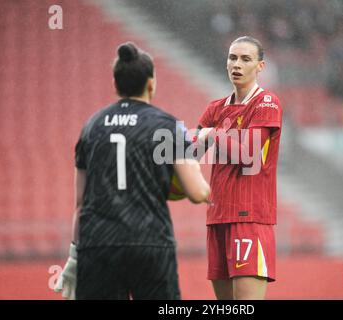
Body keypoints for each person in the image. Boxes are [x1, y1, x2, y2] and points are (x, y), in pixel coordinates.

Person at [54, 42, 210, 300]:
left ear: (115, 85)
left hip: (98, 246)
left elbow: (80, 204)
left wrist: (74, 254)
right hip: (150, 243)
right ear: (151, 84)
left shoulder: (91, 127)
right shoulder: (166, 126)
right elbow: (196, 191)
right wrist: (208, 184)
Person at [195, 36, 283, 300]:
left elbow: (248, 155)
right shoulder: (215, 108)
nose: (237, 64)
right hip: (218, 218)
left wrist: (212, 135)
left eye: (246, 59)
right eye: (233, 58)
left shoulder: (267, 103)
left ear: (260, 67)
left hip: (249, 219)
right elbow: (188, 152)